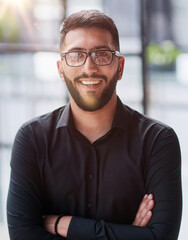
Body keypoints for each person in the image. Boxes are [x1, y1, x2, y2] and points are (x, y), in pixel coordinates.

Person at [7, 9, 182, 240]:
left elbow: (161, 237)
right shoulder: (32, 139)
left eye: (101, 54)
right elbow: (22, 236)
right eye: (76, 55)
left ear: (119, 67)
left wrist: (64, 225)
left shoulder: (158, 141)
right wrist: (127, 234)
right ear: (61, 69)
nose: (89, 68)